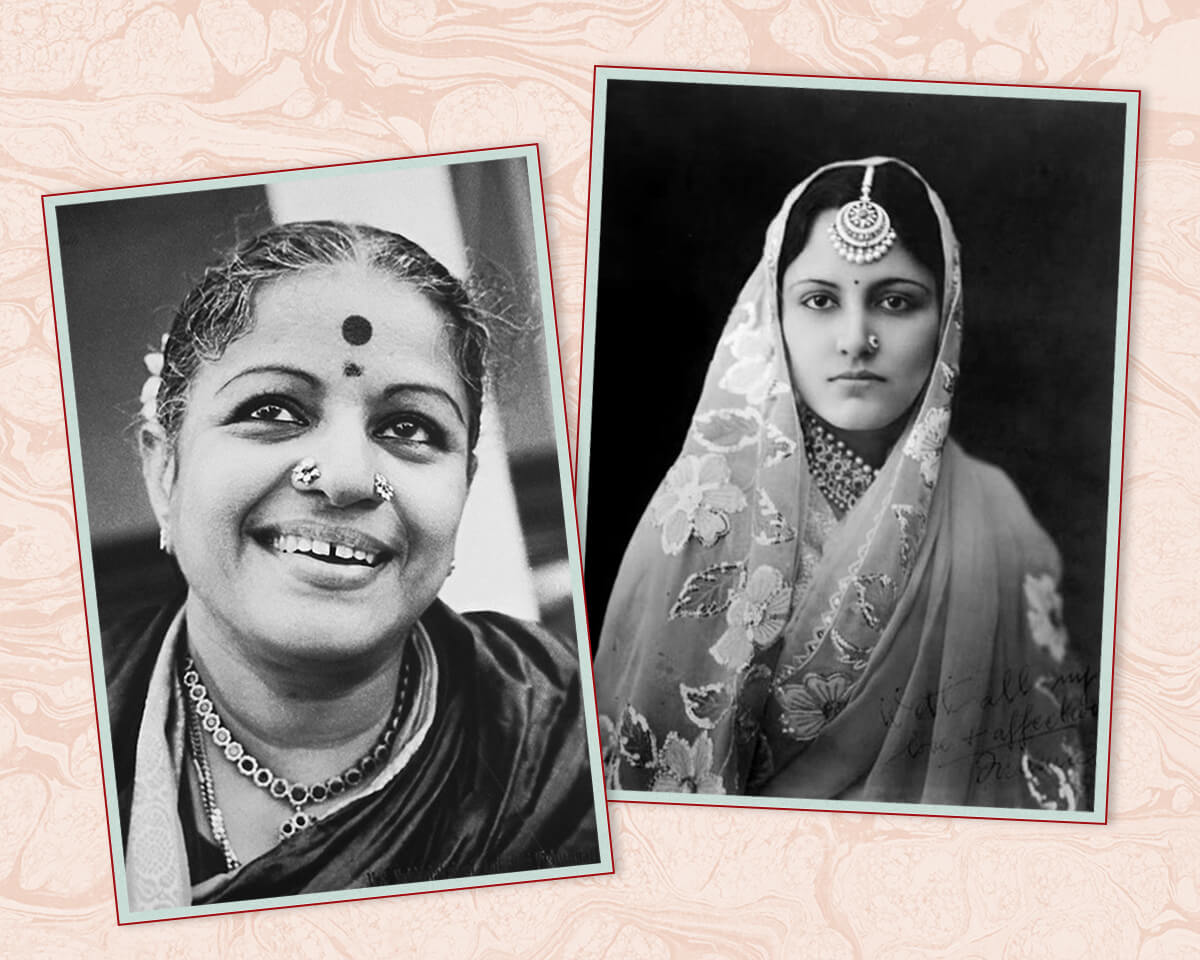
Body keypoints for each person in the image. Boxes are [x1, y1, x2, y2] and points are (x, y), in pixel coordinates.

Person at [105, 221, 599, 911]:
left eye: (409, 427)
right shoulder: (51, 726)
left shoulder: (564, 748)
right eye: (272, 408)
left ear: (465, 484)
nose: (344, 478)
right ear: (165, 469)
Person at [592, 157, 1094, 808]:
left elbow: (1044, 769)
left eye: (895, 301)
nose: (856, 339)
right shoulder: (705, 508)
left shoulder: (1001, 519)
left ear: (946, 318)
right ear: (773, 315)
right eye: (821, 301)